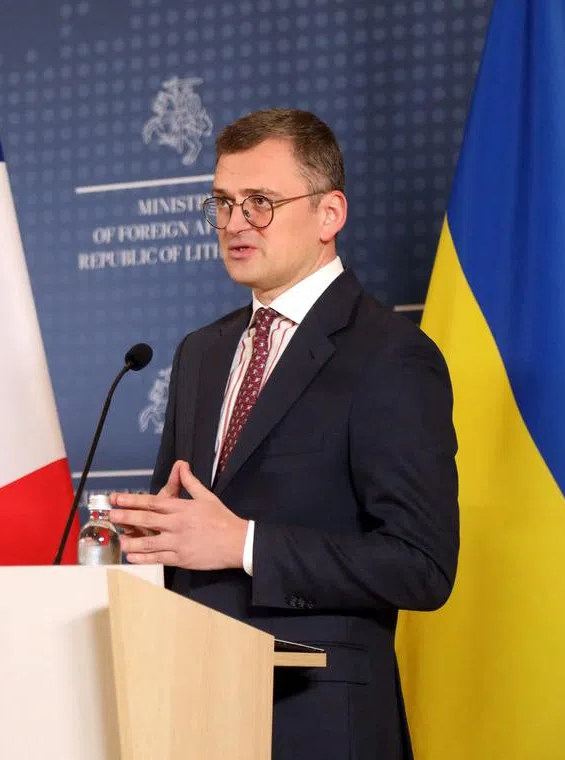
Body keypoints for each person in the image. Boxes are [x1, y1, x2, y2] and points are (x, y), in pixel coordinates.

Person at [109, 108, 459, 760]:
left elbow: (422, 567)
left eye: (261, 203)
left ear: (329, 214)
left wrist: (243, 543)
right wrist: (139, 536)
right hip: (191, 714)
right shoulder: (200, 353)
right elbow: (180, 531)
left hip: (319, 725)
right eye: (224, 202)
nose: (236, 223)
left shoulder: (389, 356)